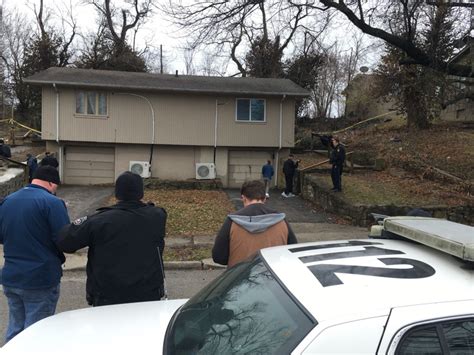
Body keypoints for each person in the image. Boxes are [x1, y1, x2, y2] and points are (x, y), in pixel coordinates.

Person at [57, 171, 167, 307]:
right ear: (141, 193)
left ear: (117, 194)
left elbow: (66, 242)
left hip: (108, 297)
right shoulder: (157, 216)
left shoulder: (99, 220)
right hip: (148, 294)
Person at [0, 165, 70, 343]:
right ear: (51, 183)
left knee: (16, 328)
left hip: (11, 276)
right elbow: (65, 239)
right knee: (36, 334)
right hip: (40, 278)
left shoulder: (8, 200)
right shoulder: (53, 203)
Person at [212, 180, 297, 268]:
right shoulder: (281, 220)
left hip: (241, 278)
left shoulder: (232, 221)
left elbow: (218, 257)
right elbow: (294, 252)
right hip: (273, 278)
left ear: (243, 198)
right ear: (264, 199)